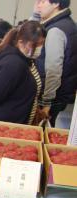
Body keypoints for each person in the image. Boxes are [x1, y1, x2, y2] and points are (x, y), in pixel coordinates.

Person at [0, 21, 46, 124]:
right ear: (20, 42)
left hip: (15, 121)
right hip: (4, 123)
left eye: (41, 44)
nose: (39, 48)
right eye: (36, 45)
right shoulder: (13, 64)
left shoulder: (27, 60)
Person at [35, 0, 76, 128]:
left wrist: (47, 102)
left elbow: (53, 69)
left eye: (42, 1)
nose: (38, 5)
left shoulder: (55, 30)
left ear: (56, 4)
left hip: (50, 96)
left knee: (42, 131)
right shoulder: (69, 24)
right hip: (62, 92)